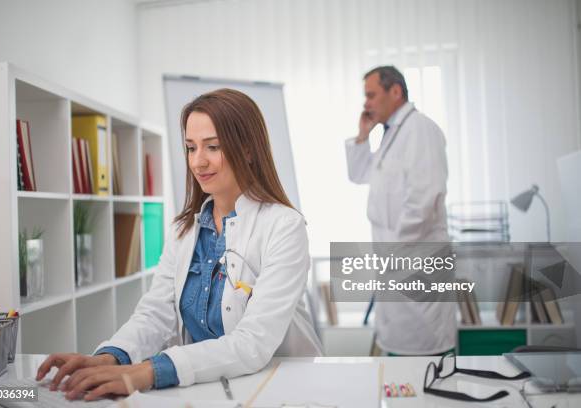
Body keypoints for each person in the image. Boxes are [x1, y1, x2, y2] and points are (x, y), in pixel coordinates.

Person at [37, 89, 323, 401]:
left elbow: (252, 343)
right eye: (190, 148)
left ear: (249, 149)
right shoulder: (184, 229)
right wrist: (110, 358)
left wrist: (146, 372)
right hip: (207, 390)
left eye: (213, 146)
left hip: (277, 389)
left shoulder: (284, 226)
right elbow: (155, 313)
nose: (198, 162)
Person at [345, 66, 455, 355]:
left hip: (414, 264)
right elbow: (359, 174)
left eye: (371, 95)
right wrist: (362, 136)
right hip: (396, 266)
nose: (366, 103)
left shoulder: (421, 130)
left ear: (395, 92)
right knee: (398, 368)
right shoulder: (391, 134)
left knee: (426, 366)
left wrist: (393, 256)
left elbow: (424, 202)